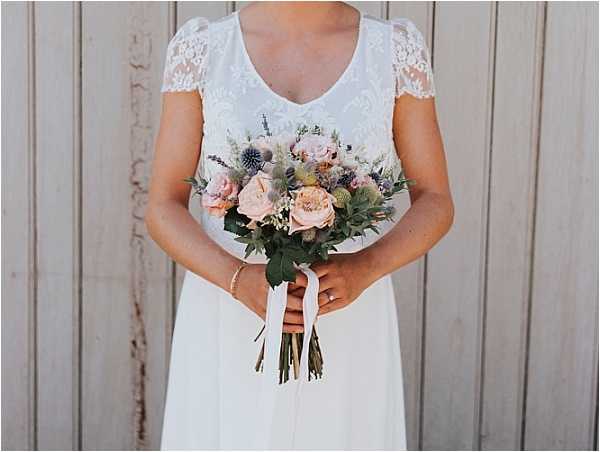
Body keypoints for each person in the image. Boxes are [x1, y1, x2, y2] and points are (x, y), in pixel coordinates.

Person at [146, 2, 453, 449]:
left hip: (344, 309)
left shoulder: (393, 51)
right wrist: (238, 280)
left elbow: (436, 200)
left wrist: (364, 268)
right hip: (228, 311)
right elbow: (162, 207)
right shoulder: (204, 51)